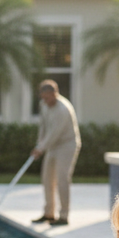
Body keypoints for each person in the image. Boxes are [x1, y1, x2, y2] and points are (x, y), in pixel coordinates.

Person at [31, 79, 80, 227]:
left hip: (66, 145)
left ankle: (63, 216)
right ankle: (49, 213)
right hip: (52, 146)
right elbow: (43, 127)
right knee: (47, 178)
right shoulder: (44, 105)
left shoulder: (63, 109)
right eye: (43, 98)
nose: (45, 100)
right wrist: (39, 144)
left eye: (48, 97)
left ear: (55, 94)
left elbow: (55, 133)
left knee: (62, 179)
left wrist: (41, 148)